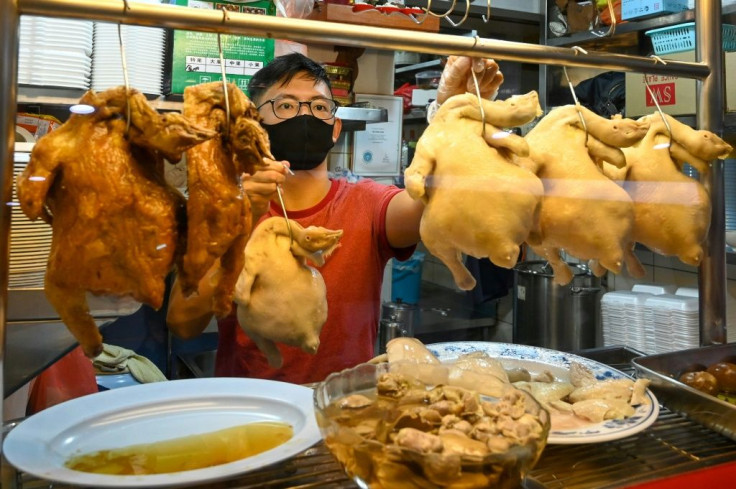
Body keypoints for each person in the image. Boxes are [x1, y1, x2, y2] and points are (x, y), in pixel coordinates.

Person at [166, 53, 504, 384]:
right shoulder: (223, 211)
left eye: (319, 107)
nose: (305, 116)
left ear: (334, 127)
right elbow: (182, 324)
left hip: (345, 409)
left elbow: (433, 200)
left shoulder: (368, 203)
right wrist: (237, 224)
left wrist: (450, 120)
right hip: (249, 412)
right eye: (285, 106)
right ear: (256, 125)